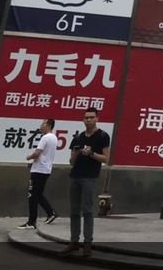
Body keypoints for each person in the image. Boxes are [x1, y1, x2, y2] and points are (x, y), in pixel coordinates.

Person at [59, 108, 110, 258]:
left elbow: (106, 158)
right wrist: (76, 153)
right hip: (75, 175)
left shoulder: (102, 136)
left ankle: (88, 242)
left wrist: (91, 153)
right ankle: (74, 241)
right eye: (86, 117)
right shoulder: (78, 137)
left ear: (97, 119)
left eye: (91, 117)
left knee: (87, 210)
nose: (88, 120)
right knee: (74, 211)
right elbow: (71, 161)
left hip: (89, 177)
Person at [17, 118, 58, 229]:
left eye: (43, 124)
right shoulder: (54, 138)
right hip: (45, 169)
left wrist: (29, 157)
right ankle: (51, 213)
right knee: (38, 194)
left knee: (32, 195)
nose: (40, 126)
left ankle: (31, 222)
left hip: (39, 171)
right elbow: (44, 155)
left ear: (49, 125)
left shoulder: (45, 138)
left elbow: (37, 153)